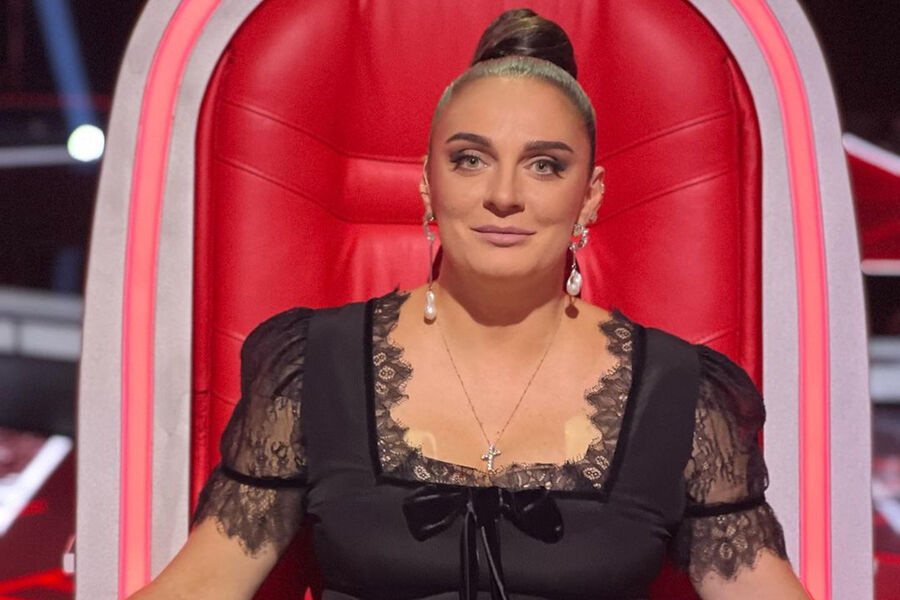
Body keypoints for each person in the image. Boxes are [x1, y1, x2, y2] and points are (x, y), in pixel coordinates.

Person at [129, 8, 810, 600]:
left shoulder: (682, 394)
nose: (504, 195)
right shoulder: (314, 368)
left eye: (545, 165)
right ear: (428, 184)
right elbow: (202, 583)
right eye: (470, 159)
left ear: (590, 196)